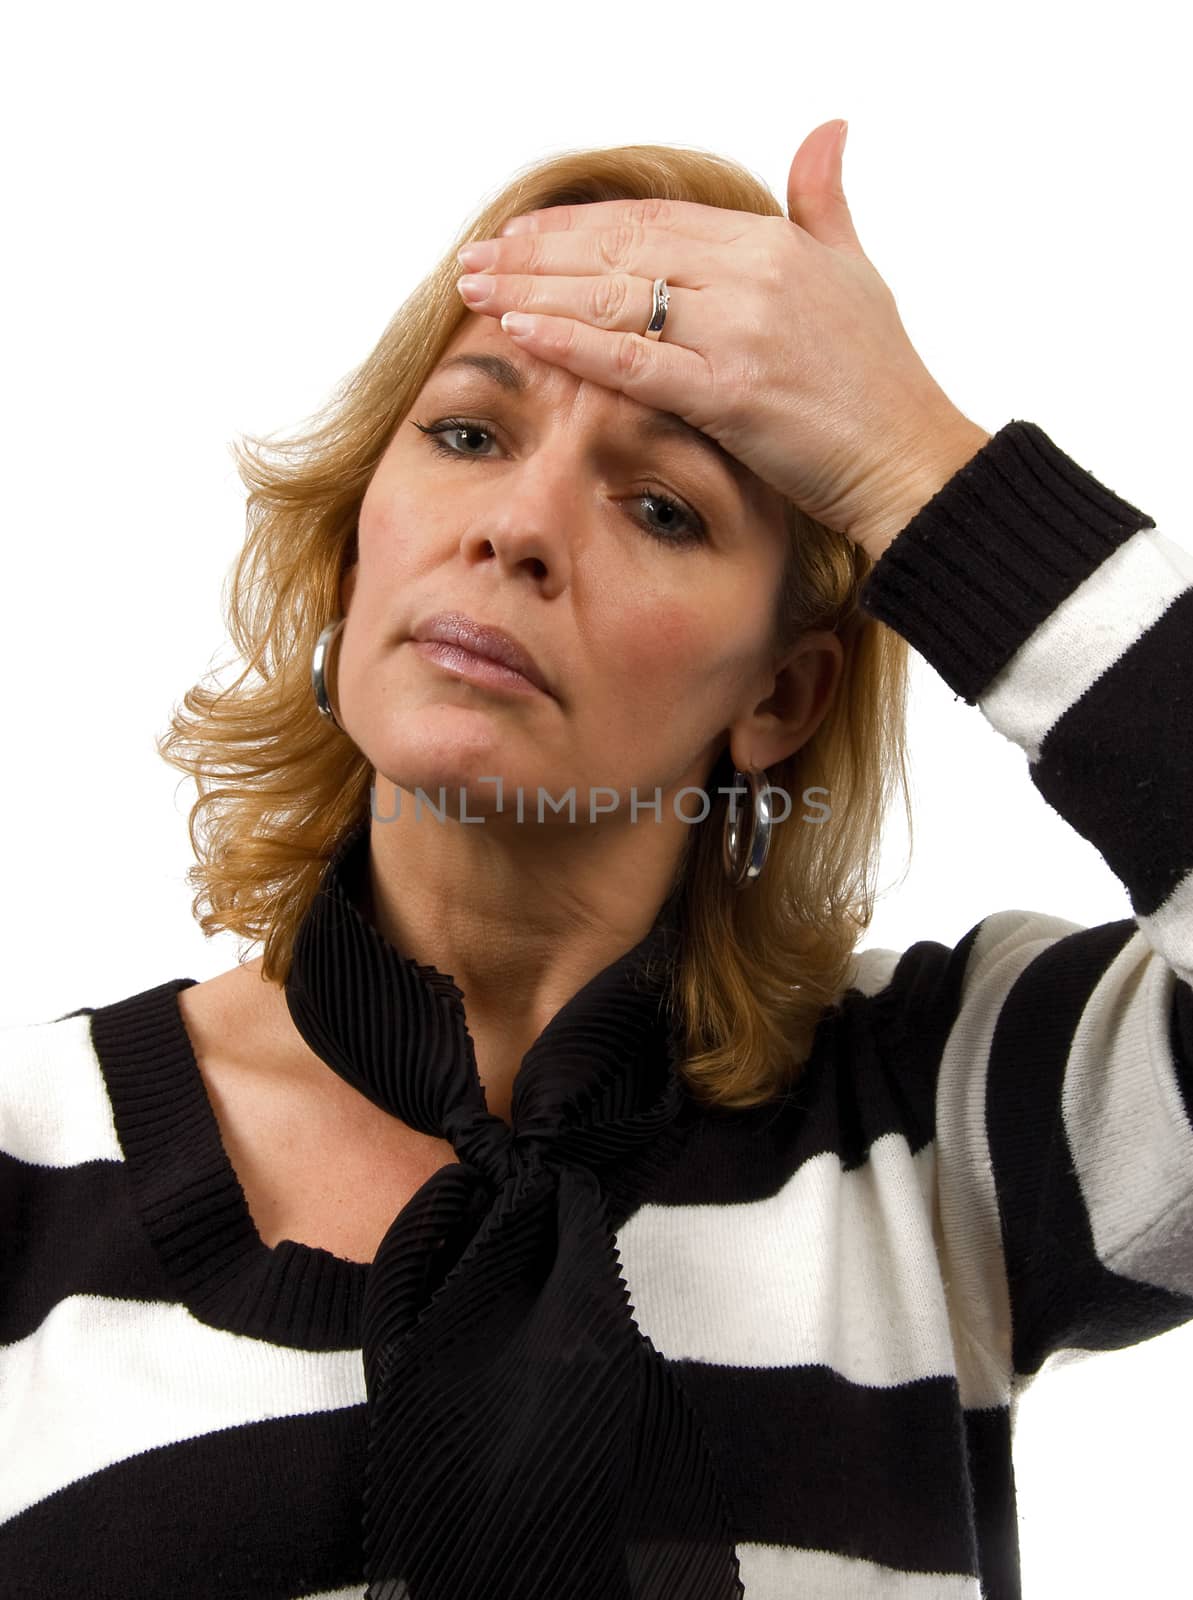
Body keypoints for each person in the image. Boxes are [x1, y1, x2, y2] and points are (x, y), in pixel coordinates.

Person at [1, 119, 1189, 1600]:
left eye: (661, 507)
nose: (515, 526)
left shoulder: (961, 1117)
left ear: (778, 698)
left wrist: (920, 470)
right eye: (466, 433)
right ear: (353, 548)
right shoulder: (22, 1165)